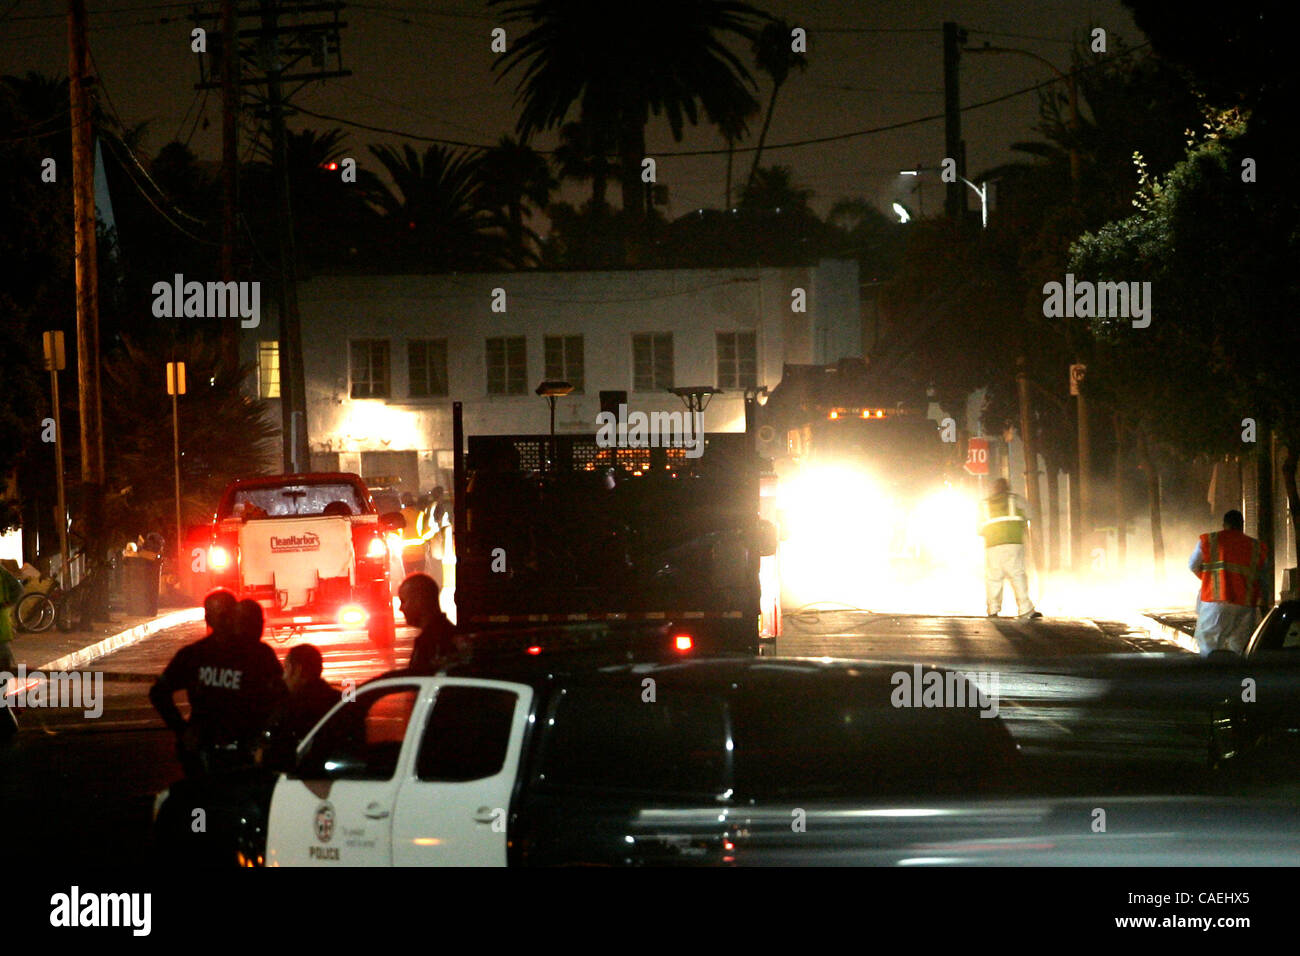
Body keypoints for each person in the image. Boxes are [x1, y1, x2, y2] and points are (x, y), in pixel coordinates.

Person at [149, 590, 286, 776]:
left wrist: (265, 734)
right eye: (219, 615)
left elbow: (281, 697)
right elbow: (159, 692)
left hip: (244, 749)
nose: (225, 620)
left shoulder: (258, 654)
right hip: (206, 749)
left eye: (228, 614)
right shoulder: (194, 655)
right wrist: (183, 730)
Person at [1190, 509, 1268, 655]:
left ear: (1224, 524)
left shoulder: (1210, 540)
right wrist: (1264, 607)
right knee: (1240, 650)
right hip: (1245, 606)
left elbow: (1192, 565)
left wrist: (1208, 579)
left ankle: (1212, 676)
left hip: (1215, 604)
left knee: (1209, 647)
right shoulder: (1256, 547)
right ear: (1242, 525)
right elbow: (1263, 580)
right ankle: (1238, 678)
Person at [258, 644, 341, 770]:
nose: (284, 677)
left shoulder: (292, 708)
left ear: (297, 670)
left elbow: (284, 755)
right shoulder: (338, 702)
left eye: (286, 668)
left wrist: (263, 757)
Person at [979, 477, 1041, 621]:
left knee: (993, 578)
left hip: (992, 545)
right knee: (1017, 575)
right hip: (1013, 543)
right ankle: (1025, 609)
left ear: (993, 489)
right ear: (1007, 487)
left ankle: (993, 609)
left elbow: (979, 529)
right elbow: (1031, 514)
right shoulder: (1016, 500)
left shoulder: (985, 504)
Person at [400, 572, 460, 672]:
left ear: (419, 601)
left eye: (403, 601)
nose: (401, 608)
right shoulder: (445, 634)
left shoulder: (432, 642)